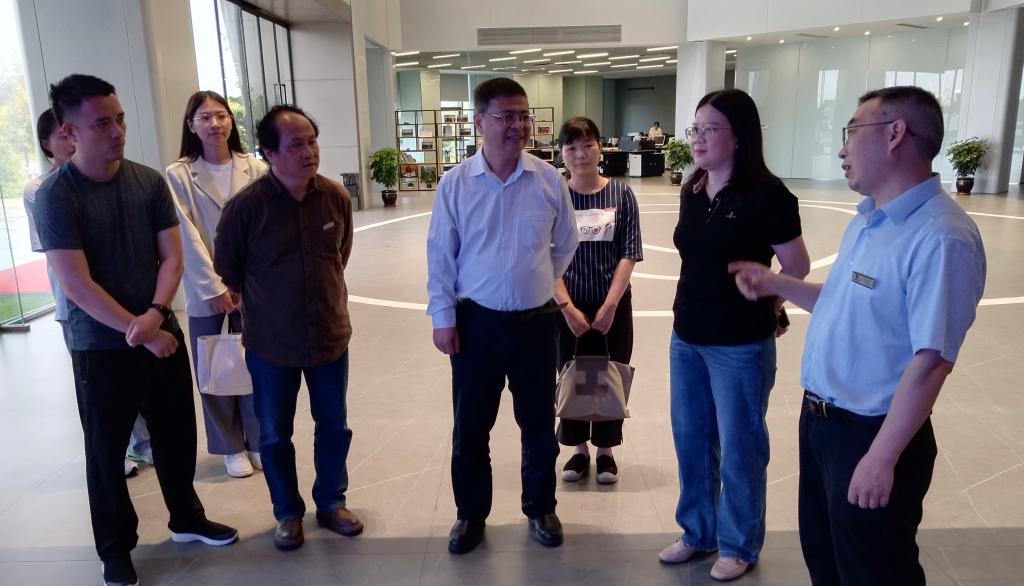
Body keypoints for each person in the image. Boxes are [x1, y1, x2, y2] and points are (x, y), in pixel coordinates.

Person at [730, 86, 986, 585]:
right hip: (823, 425)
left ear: (895, 134)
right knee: (827, 561)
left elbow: (932, 360)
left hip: (871, 433)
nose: (841, 149)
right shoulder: (870, 220)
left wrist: (881, 457)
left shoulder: (941, 237)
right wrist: (779, 285)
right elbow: (844, 301)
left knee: (874, 570)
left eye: (851, 131)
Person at [33, 74, 237, 586]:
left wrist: (154, 314)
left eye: (120, 119)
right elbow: (76, 284)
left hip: (157, 326)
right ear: (69, 131)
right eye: (102, 123)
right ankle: (115, 548)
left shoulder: (147, 181)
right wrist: (140, 328)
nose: (117, 131)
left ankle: (186, 518)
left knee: (176, 434)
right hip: (100, 344)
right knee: (106, 451)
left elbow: (172, 257)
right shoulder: (56, 195)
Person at [658, 89, 810, 582]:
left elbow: (797, 265)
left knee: (740, 448)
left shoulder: (767, 195)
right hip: (687, 335)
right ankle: (698, 531)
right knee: (691, 439)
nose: (697, 139)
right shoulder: (692, 188)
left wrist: (772, 300)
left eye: (710, 129)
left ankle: (739, 543)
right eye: (695, 129)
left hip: (740, 345)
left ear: (739, 136)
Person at [426, 78, 578, 554]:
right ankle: (470, 513)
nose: (518, 125)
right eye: (505, 116)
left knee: (538, 423)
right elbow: (441, 254)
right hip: (476, 325)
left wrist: (535, 279)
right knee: (472, 426)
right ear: (479, 121)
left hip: (537, 324)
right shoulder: (455, 184)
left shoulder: (548, 179)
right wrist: (443, 317)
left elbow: (566, 243)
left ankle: (541, 507)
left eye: (523, 115)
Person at [214, 104, 361, 551]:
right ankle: (287, 512)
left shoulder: (335, 197)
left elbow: (340, 255)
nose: (309, 151)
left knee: (333, 425)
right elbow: (228, 268)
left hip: (329, 335)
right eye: (296, 144)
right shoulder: (246, 208)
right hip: (271, 343)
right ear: (270, 153)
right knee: (275, 433)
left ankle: (331, 501)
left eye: (312, 141)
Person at [23, 108, 153, 480]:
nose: (70, 142)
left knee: (137, 376)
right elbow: (62, 258)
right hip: (77, 307)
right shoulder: (42, 191)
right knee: (98, 390)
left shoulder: (122, 179)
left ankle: (144, 443)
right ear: (47, 143)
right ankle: (115, 452)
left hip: (127, 299)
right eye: (62, 135)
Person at [166, 91, 266, 479]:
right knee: (214, 367)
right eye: (205, 117)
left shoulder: (255, 168)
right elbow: (185, 234)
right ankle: (229, 446)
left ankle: (257, 439)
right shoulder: (178, 175)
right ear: (191, 125)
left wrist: (243, 282)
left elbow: (264, 228)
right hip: (206, 291)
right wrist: (215, 287)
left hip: (251, 287)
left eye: (221, 115)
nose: (214, 123)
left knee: (256, 364)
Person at [553, 116, 642, 485]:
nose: (580, 153)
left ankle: (606, 450)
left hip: (612, 304)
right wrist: (566, 308)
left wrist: (610, 305)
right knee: (573, 375)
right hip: (566, 306)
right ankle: (578, 449)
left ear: (600, 147)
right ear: (561, 152)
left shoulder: (621, 194)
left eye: (588, 144)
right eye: (571, 146)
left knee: (608, 375)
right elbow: (545, 256)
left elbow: (629, 251)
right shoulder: (555, 196)